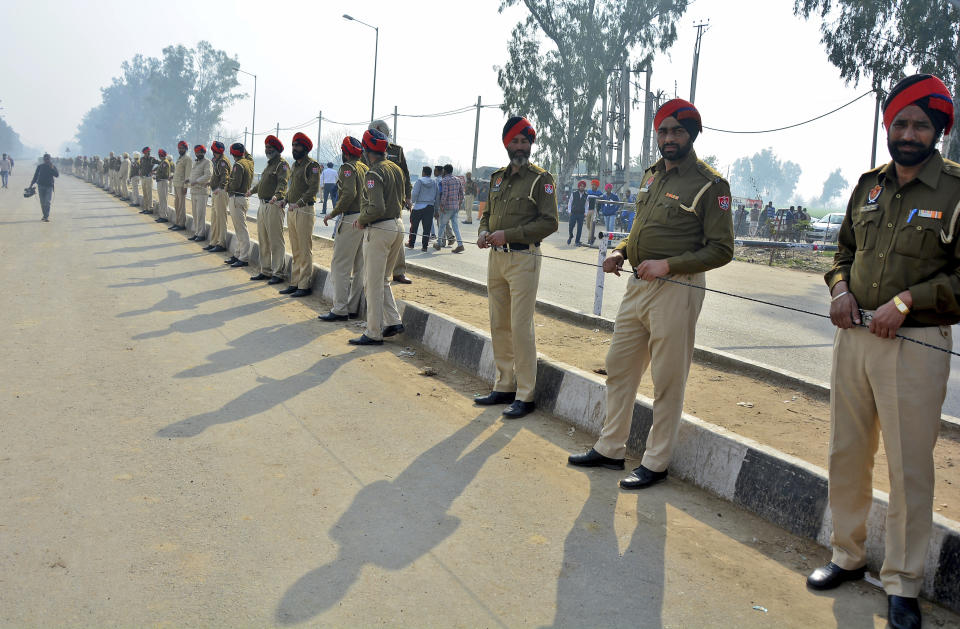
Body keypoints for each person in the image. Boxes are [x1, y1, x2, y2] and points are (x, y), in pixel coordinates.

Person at [807, 74, 959, 629]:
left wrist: (909, 300)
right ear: (888, 126)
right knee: (846, 451)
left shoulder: (955, 191)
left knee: (908, 467)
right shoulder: (867, 186)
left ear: (938, 129)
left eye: (921, 124)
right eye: (900, 122)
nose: (909, 132)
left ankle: (903, 583)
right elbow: (842, 251)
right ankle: (846, 555)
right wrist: (840, 289)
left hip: (915, 344)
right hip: (854, 338)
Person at [567, 98, 734, 489]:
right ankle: (610, 448)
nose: (669, 137)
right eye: (663, 131)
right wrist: (621, 250)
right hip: (637, 285)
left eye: (677, 130)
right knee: (619, 367)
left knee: (667, 378)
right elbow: (641, 228)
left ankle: (656, 462)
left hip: (676, 288)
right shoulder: (651, 176)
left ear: (692, 134)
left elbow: (722, 249)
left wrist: (668, 265)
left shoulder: (711, 184)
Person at [475, 116, 559, 418]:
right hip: (495, 258)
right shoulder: (497, 178)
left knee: (521, 326)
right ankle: (504, 384)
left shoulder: (541, 180)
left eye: (525, 141)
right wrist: (483, 232)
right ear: (506, 143)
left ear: (531, 144)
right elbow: (488, 214)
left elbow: (549, 222)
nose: (520, 147)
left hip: (523, 258)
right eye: (515, 141)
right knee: (498, 322)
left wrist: (508, 235)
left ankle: (526, 393)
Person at [348, 129, 406, 345]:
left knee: (371, 282)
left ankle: (373, 332)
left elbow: (377, 207)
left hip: (380, 229)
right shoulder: (395, 168)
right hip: (397, 226)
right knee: (382, 280)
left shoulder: (373, 173)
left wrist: (362, 219)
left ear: (366, 149)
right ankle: (393, 321)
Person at [319, 136, 368, 321]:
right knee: (359, 266)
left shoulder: (348, 168)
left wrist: (333, 212)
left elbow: (348, 194)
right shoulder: (364, 167)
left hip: (350, 219)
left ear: (345, 152)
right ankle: (352, 307)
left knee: (340, 265)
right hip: (363, 219)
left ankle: (339, 309)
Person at [369, 119, 413, 284]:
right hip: (373, 196)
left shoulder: (397, 150)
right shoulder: (365, 149)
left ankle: (399, 271)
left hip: (394, 198)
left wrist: (408, 197)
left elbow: (406, 175)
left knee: (397, 235)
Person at [279, 132, 320, 298]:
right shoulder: (295, 165)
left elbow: (313, 189)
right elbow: (293, 187)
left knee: (304, 249)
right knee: (295, 248)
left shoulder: (312, 166)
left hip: (304, 210)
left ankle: (304, 285)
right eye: (293, 145)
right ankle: (294, 282)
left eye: (297, 145)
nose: (294, 148)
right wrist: (286, 200)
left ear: (305, 148)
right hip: (292, 210)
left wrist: (299, 202)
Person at [248, 135, 289, 284]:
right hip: (262, 205)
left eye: (270, 148)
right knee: (263, 239)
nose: (267, 150)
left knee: (276, 240)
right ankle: (265, 270)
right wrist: (252, 191)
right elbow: (262, 184)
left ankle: (278, 273)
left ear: (277, 150)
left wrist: (277, 196)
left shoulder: (282, 165)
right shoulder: (269, 165)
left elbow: (283, 183)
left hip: (274, 205)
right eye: (266, 147)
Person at [224, 143, 254, 267]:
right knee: (238, 229)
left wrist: (227, 186)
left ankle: (244, 257)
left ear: (233, 154)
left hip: (236, 197)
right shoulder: (249, 162)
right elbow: (249, 155)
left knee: (241, 230)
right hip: (242, 198)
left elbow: (235, 184)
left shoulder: (238, 165)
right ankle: (238, 254)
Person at [204, 141, 231, 253]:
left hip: (221, 192)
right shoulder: (217, 161)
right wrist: (211, 183)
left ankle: (221, 243)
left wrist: (220, 187)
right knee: (214, 218)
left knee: (221, 219)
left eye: (214, 151)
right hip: (216, 192)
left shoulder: (223, 162)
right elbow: (217, 176)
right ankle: (214, 242)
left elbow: (225, 177)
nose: (213, 153)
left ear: (218, 151)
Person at [434, 164, 465, 253]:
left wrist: (442, 205)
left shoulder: (445, 180)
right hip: (455, 207)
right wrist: (459, 204)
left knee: (442, 225)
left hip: (447, 207)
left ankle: (439, 243)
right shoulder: (457, 180)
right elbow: (461, 194)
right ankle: (460, 245)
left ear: (445, 171)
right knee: (455, 227)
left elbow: (445, 194)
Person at [408, 165, 437, 251]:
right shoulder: (434, 182)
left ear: (423, 172)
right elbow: (437, 196)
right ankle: (424, 246)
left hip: (419, 206)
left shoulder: (419, 181)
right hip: (430, 206)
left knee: (414, 226)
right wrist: (437, 209)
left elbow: (415, 194)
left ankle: (411, 244)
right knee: (427, 228)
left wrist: (411, 202)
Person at [186, 145, 212, 242]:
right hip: (194, 191)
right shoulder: (195, 162)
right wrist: (189, 180)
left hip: (202, 192)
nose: (198, 154)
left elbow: (208, 175)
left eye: (200, 152)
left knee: (200, 213)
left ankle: (201, 234)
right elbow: (194, 174)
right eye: (197, 152)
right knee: (195, 214)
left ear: (203, 152)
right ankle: (197, 232)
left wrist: (197, 181)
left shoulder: (207, 162)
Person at [29, 153, 59, 222]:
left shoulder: (52, 166)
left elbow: (57, 175)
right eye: (45, 159)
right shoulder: (40, 166)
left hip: (49, 186)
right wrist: (31, 185)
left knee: (47, 202)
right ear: (43, 159)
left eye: (48, 159)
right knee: (42, 202)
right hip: (40, 186)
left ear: (49, 159)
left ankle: (46, 216)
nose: (46, 160)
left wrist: (52, 168)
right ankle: (45, 215)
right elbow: (35, 176)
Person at [170, 141, 190, 232]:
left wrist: (185, 186)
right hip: (176, 184)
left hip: (182, 185)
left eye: (182, 148)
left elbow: (187, 174)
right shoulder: (179, 158)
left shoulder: (187, 159)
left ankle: (181, 224)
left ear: (186, 149)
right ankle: (177, 222)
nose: (180, 150)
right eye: (179, 148)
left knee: (182, 205)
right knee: (177, 205)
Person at [567, 180, 588, 245]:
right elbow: (570, 202)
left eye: (583, 186)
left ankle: (577, 241)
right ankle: (571, 236)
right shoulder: (574, 193)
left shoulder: (586, 195)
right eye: (580, 186)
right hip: (573, 213)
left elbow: (587, 205)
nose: (582, 187)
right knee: (571, 226)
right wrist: (569, 211)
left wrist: (586, 213)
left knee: (579, 228)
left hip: (581, 214)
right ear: (578, 186)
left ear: (584, 187)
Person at [154, 149, 172, 223]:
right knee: (161, 199)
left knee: (163, 200)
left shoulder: (165, 162)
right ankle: (161, 215)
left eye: (159, 154)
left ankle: (164, 216)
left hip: (163, 181)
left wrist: (156, 175)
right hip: (160, 181)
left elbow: (165, 174)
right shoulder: (162, 162)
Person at [138, 147, 157, 214]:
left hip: (149, 178)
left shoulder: (152, 159)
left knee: (149, 194)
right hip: (143, 178)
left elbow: (160, 163)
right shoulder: (142, 159)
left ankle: (150, 209)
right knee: (145, 194)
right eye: (147, 152)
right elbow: (140, 167)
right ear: (144, 153)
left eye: (149, 151)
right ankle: (146, 208)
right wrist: (140, 173)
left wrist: (154, 171)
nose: (149, 153)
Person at [585, 179, 602, 245]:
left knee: (592, 225)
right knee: (587, 225)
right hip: (588, 210)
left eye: (594, 185)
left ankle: (590, 240)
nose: (593, 186)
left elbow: (600, 203)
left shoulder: (599, 193)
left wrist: (597, 211)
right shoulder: (588, 192)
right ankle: (592, 236)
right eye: (592, 185)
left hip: (595, 211)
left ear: (597, 186)